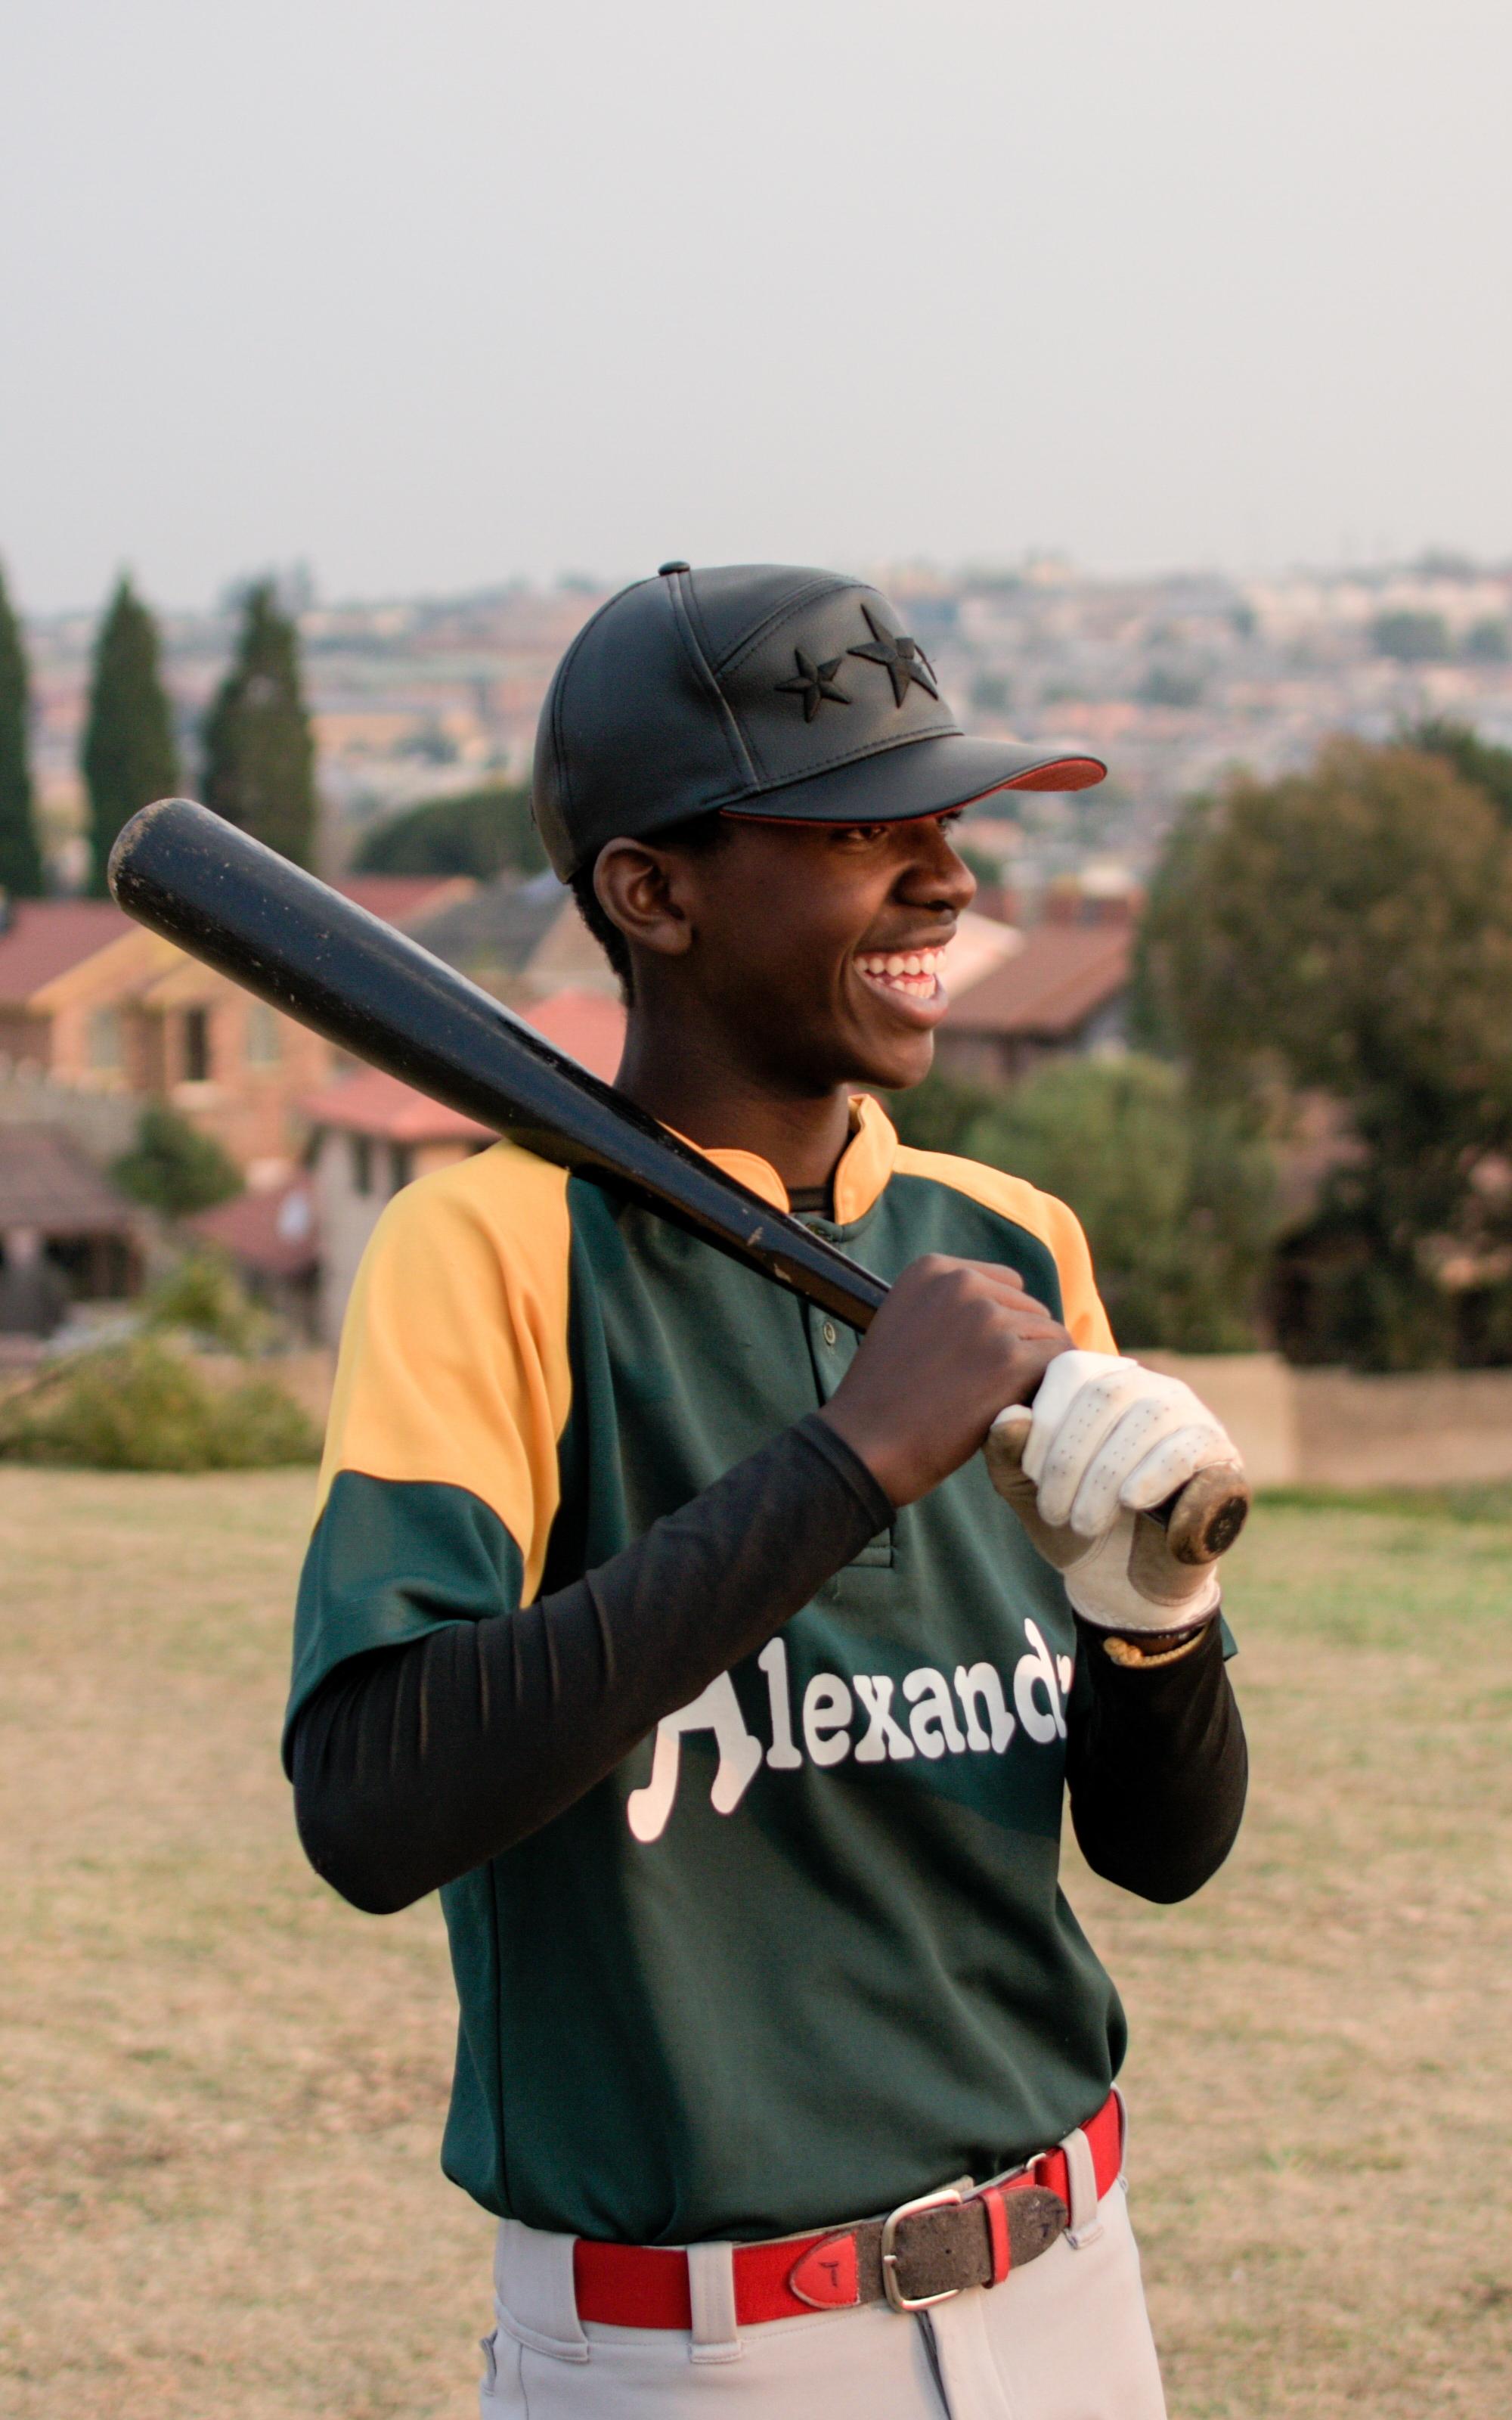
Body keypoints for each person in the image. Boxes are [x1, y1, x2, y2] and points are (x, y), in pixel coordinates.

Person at [286, 562, 1248, 2420]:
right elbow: (373, 1799)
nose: (948, 878)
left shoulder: (1001, 1242)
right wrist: (846, 1462)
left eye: (946, 822)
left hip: (1067, 2282)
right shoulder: (488, 1249)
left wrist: (1156, 1624)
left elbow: (1161, 1850)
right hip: (698, 2343)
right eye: (855, 828)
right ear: (651, 892)